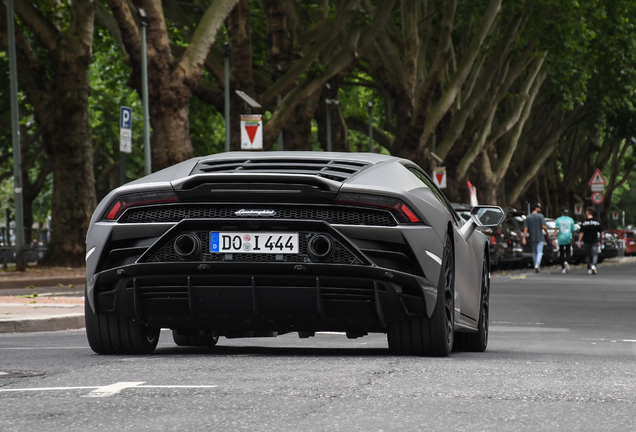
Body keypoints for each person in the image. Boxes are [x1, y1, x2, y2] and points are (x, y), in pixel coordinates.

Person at [522, 203, 551, 272]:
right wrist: (547, 233)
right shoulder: (540, 216)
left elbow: (525, 228)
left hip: (532, 237)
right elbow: (543, 226)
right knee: (540, 252)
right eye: (539, 207)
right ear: (536, 208)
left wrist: (524, 237)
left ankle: (535, 264)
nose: (540, 209)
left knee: (534, 252)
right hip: (540, 237)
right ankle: (537, 264)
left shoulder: (528, 217)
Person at [577, 207, 604, 275]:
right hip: (595, 241)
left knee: (587, 255)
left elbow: (581, 232)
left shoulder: (584, 222)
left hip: (586, 241)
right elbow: (601, 232)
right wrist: (601, 240)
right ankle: (594, 265)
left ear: (588, 212)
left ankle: (589, 268)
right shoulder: (597, 221)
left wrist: (579, 241)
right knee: (595, 254)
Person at [554, 208, 576, 273]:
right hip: (568, 237)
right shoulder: (571, 220)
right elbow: (573, 230)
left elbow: (556, 229)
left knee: (562, 253)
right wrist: (573, 237)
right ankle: (567, 261)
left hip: (561, 238)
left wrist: (553, 238)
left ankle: (563, 267)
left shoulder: (558, 220)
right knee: (568, 251)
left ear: (561, 213)